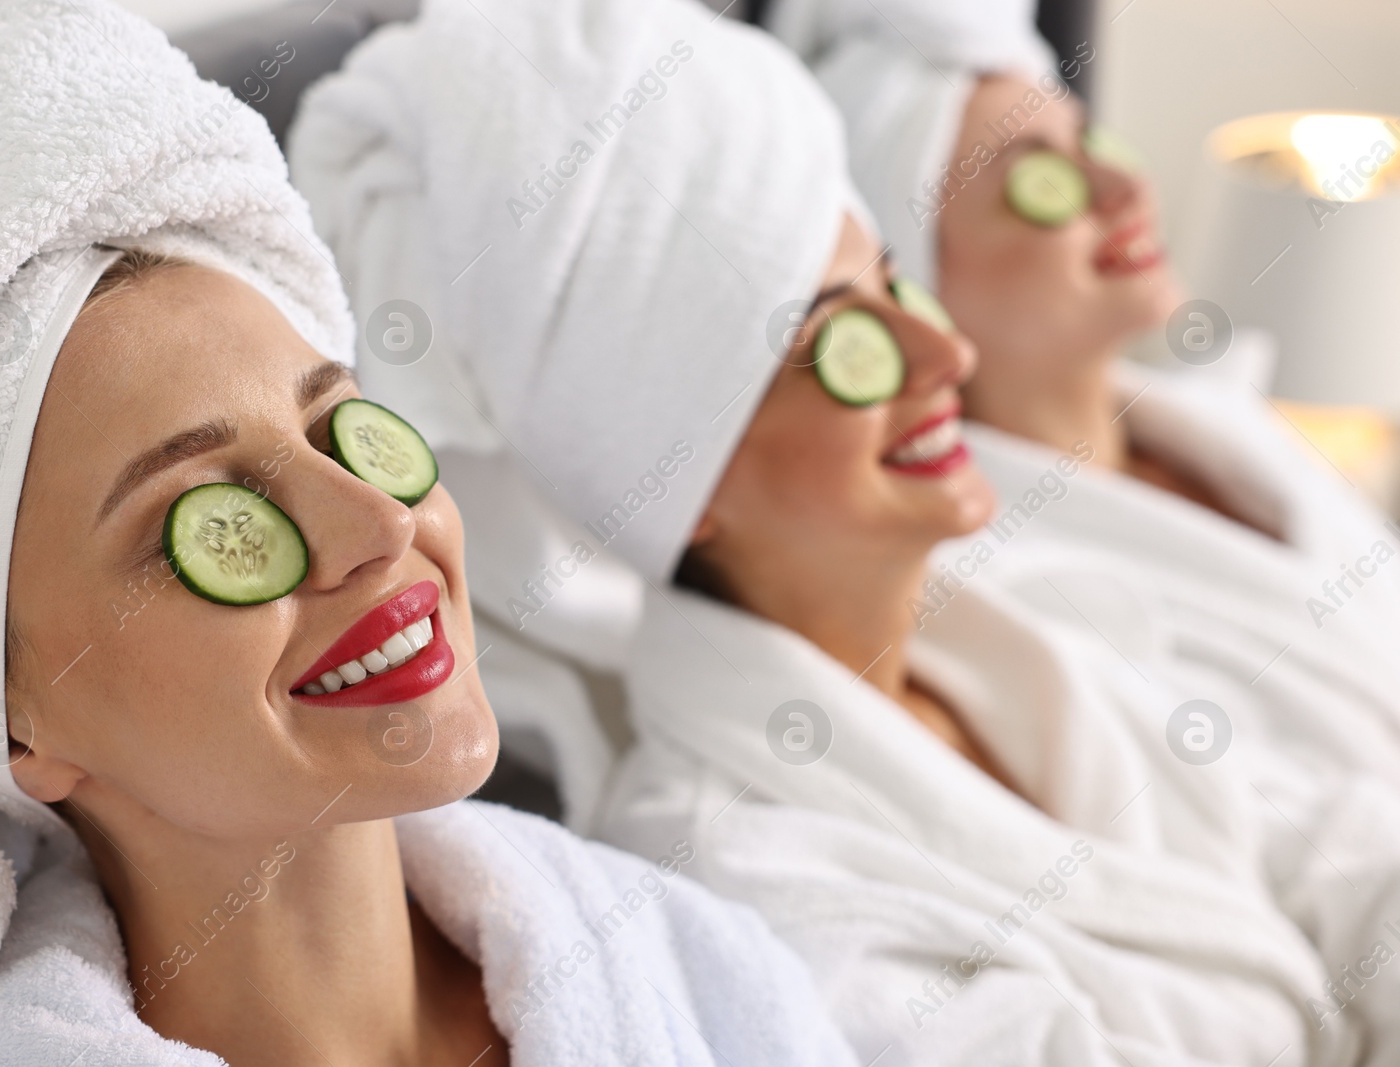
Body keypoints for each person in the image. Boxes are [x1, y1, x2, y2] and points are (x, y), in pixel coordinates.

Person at [288, 0, 1400, 1062]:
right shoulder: (742, 875)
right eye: (837, 344)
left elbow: (1331, 849)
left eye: (891, 291)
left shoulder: (1012, 642)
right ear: (681, 478)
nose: (943, 358)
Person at [0, 3, 862, 1066]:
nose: (377, 522)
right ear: (16, 727)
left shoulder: (700, 965)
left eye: (339, 430)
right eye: (208, 519)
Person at [761, 0, 1400, 786]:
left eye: (1088, 141)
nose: (1121, 185)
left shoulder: (1236, 431)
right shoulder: (1001, 595)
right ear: (924, 278)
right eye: (1044, 180)